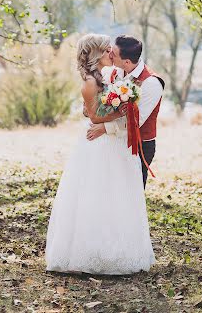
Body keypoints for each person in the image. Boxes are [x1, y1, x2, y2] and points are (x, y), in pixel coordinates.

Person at [45, 34, 155, 275]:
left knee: (116, 196)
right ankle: (89, 253)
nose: (110, 54)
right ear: (96, 54)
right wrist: (124, 109)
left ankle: (116, 251)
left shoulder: (106, 76)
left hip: (115, 145)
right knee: (94, 196)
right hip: (98, 146)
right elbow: (94, 116)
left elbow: (93, 111)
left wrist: (123, 106)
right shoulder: (90, 81)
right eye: (106, 51)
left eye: (111, 51)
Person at [87, 35, 164, 188]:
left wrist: (104, 128)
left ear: (127, 61)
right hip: (116, 142)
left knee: (132, 190)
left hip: (139, 145)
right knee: (114, 187)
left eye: (113, 54)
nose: (109, 55)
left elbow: (136, 122)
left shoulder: (151, 83)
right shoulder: (115, 72)